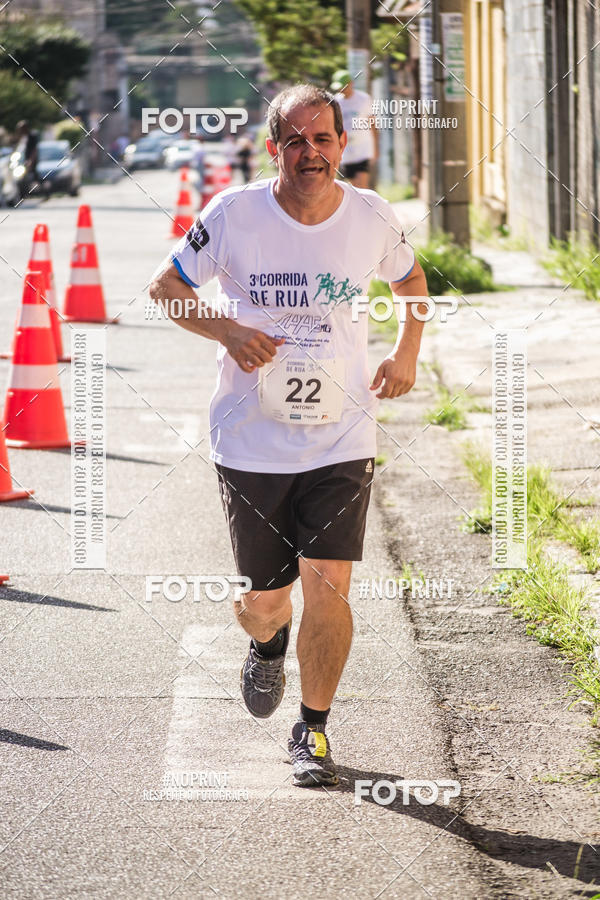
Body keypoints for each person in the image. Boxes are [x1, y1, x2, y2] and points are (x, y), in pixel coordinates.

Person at [149, 83, 428, 787]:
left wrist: (406, 354)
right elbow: (168, 288)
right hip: (250, 442)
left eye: (324, 138)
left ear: (342, 145)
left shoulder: (370, 216)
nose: (312, 152)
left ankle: (314, 730)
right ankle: (268, 646)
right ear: (274, 148)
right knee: (265, 602)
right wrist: (231, 329)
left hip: (342, 439)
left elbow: (414, 283)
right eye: (296, 140)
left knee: (329, 588)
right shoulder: (234, 215)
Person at [330, 70, 377, 189]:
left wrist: (376, 147)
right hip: (347, 150)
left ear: (350, 84)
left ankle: (365, 206)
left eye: (343, 87)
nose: (341, 90)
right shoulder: (336, 101)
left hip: (363, 148)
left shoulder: (363, 99)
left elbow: (372, 122)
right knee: (354, 186)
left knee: (362, 184)